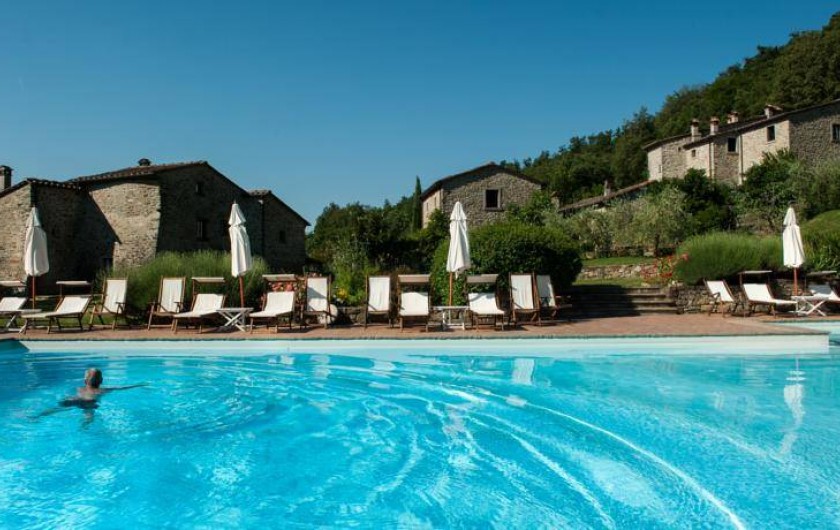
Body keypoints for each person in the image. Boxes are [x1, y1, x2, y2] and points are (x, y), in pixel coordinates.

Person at [34, 368, 147, 423]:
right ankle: (84, 426)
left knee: (57, 408)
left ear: (85, 381)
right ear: (101, 380)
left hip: (76, 399)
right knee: (89, 415)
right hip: (89, 402)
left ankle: (38, 416)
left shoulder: (79, 388)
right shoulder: (103, 390)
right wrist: (139, 384)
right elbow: (122, 388)